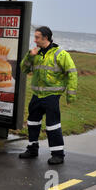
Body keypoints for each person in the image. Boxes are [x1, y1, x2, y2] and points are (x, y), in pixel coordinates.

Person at [19, 26, 78, 164]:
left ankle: (58, 154)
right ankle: (32, 149)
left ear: (45, 38)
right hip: (36, 95)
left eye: (37, 37)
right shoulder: (35, 53)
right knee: (32, 122)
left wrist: (71, 95)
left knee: (52, 125)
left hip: (52, 95)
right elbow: (23, 68)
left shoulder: (61, 54)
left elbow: (72, 73)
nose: (35, 40)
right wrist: (29, 56)